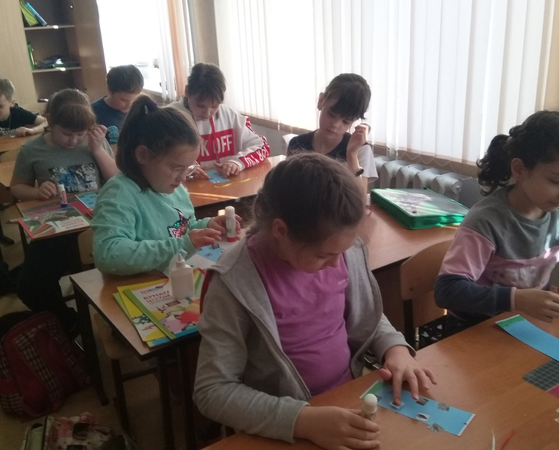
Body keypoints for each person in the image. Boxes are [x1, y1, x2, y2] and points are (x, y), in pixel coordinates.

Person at [194, 153, 436, 448]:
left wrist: (394, 347)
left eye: (341, 252)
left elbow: (367, 314)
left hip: (347, 396)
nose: (336, 264)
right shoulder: (235, 281)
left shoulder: (342, 252)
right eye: (323, 255)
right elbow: (212, 390)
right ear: (281, 231)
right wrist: (302, 420)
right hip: (284, 421)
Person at [434, 111, 559, 330]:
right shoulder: (485, 222)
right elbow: (447, 291)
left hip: (528, 322)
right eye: (557, 181)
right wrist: (515, 299)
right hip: (475, 328)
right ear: (520, 170)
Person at [10, 88, 118, 336]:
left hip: (99, 225)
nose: (73, 140)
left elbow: (116, 180)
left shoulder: (94, 141)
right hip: (58, 228)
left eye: (80, 134)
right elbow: (16, 188)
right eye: (67, 133)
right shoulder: (32, 150)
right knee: (30, 286)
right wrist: (36, 192)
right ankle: (68, 320)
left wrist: (97, 149)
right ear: (50, 121)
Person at [92, 96, 235, 276]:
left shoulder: (174, 188)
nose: (182, 177)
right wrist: (182, 245)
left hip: (174, 280)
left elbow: (182, 229)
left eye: (188, 168)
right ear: (143, 155)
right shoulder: (118, 194)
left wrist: (207, 226)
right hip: (140, 285)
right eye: (175, 168)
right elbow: (108, 253)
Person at [169, 63, 270, 178]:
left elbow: (262, 146)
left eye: (214, 106)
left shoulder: (230, 115)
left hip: (226, 185)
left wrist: (237, 162)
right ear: (187, 91)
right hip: (183, 187)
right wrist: (183, 169)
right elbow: (157, 161)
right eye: (200, 105)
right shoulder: (169, 117)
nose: (207, 113)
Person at [287, 73, 378, 194]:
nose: (335, 124)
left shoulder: (360, 150)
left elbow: (360, 199)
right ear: (321, 101)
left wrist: (352, 154)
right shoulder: (297, 144)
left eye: (346, 121)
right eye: (331, 114)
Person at [91, 64, 144, 144]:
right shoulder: (93, 112)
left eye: (134, 99)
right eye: (124, 100)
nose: (130, 105)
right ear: (110, 91)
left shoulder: (141, 109)